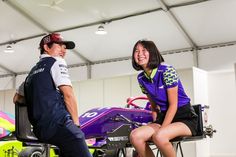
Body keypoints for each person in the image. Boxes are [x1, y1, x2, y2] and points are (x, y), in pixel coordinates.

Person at [13, 33, 92, 157]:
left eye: (65, 47)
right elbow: (68, 95)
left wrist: (38, 97)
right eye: (59, 45)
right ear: (46, 47)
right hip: (58, 125)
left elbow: (17, 98)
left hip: (40, 130)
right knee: (77, 138)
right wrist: (76, 126)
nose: (64, 50)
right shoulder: (56, 61)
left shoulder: (31, 73)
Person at [129, 40, 198, 157]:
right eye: (136, 51)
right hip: (163, 116)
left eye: (144, 50)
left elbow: (173, 104)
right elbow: (154, 107)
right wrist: (155, 123)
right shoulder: (141, 78)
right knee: (135, 136)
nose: (140, 54)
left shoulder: (167, 70)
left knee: (160, 136)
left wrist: (161, 129)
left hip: (184, 117)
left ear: (152, 53)